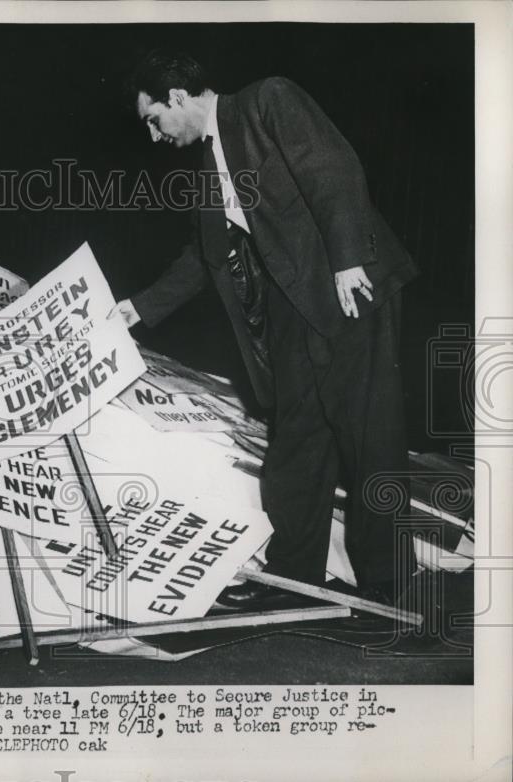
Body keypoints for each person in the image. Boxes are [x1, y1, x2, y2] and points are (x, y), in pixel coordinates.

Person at [110, 50, 418, 605]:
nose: (154, 137)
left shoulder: (266, 100)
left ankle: (389, 588)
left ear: (177, 98)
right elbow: (203, 260)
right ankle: (296, 579)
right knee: (297, 440)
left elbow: (333, 167)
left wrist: (349, 261)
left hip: (350, 287)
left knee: (370, 435)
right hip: (293, 308)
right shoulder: (210, 167)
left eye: (153, 120)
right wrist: (138, 309)